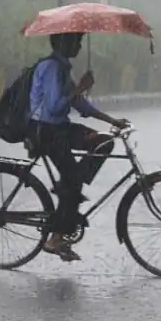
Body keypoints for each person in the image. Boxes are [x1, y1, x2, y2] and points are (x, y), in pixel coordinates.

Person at [29, 32, 129, 261]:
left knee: (103, 141)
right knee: (73, 181)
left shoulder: (62, 68)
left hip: (60, 129)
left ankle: (68, 187)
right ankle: (55, 238)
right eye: (76, 41)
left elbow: (79, 105)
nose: (80, 46)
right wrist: (80, 87)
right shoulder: (52, 68)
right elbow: (54, 107)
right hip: (45, 131)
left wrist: (112, 121)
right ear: (62, 43)